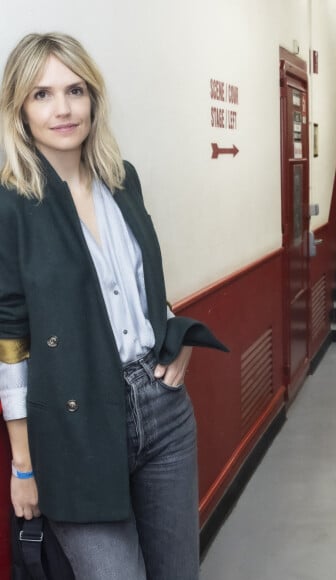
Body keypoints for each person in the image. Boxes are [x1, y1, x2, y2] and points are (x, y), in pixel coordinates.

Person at [0, 33, 226, 579]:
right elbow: (11, 339)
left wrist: (175, 336)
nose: (62, 109)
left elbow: (142, 289)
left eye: (74, 90)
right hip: (75, 425)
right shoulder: (12, 204)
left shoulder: (123, 181)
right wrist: (24, 465)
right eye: (42, 95)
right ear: (19, 109)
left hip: (162, 407)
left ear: (93, 98)